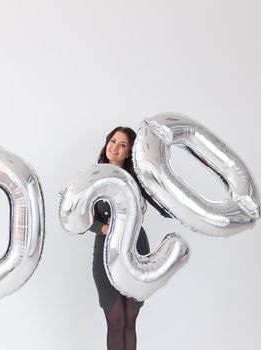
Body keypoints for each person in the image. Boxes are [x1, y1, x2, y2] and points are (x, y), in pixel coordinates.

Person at [89, 126, 170, 350]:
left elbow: (163, 206)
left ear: (129, 152)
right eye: (112, 141)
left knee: (130, 323)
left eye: (122, 145)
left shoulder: (139, 180)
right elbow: (84, 218)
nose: (114, 147)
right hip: (106, 252)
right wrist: (102, 228)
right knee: (115, 322)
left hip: (136, 249)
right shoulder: (94, 176)